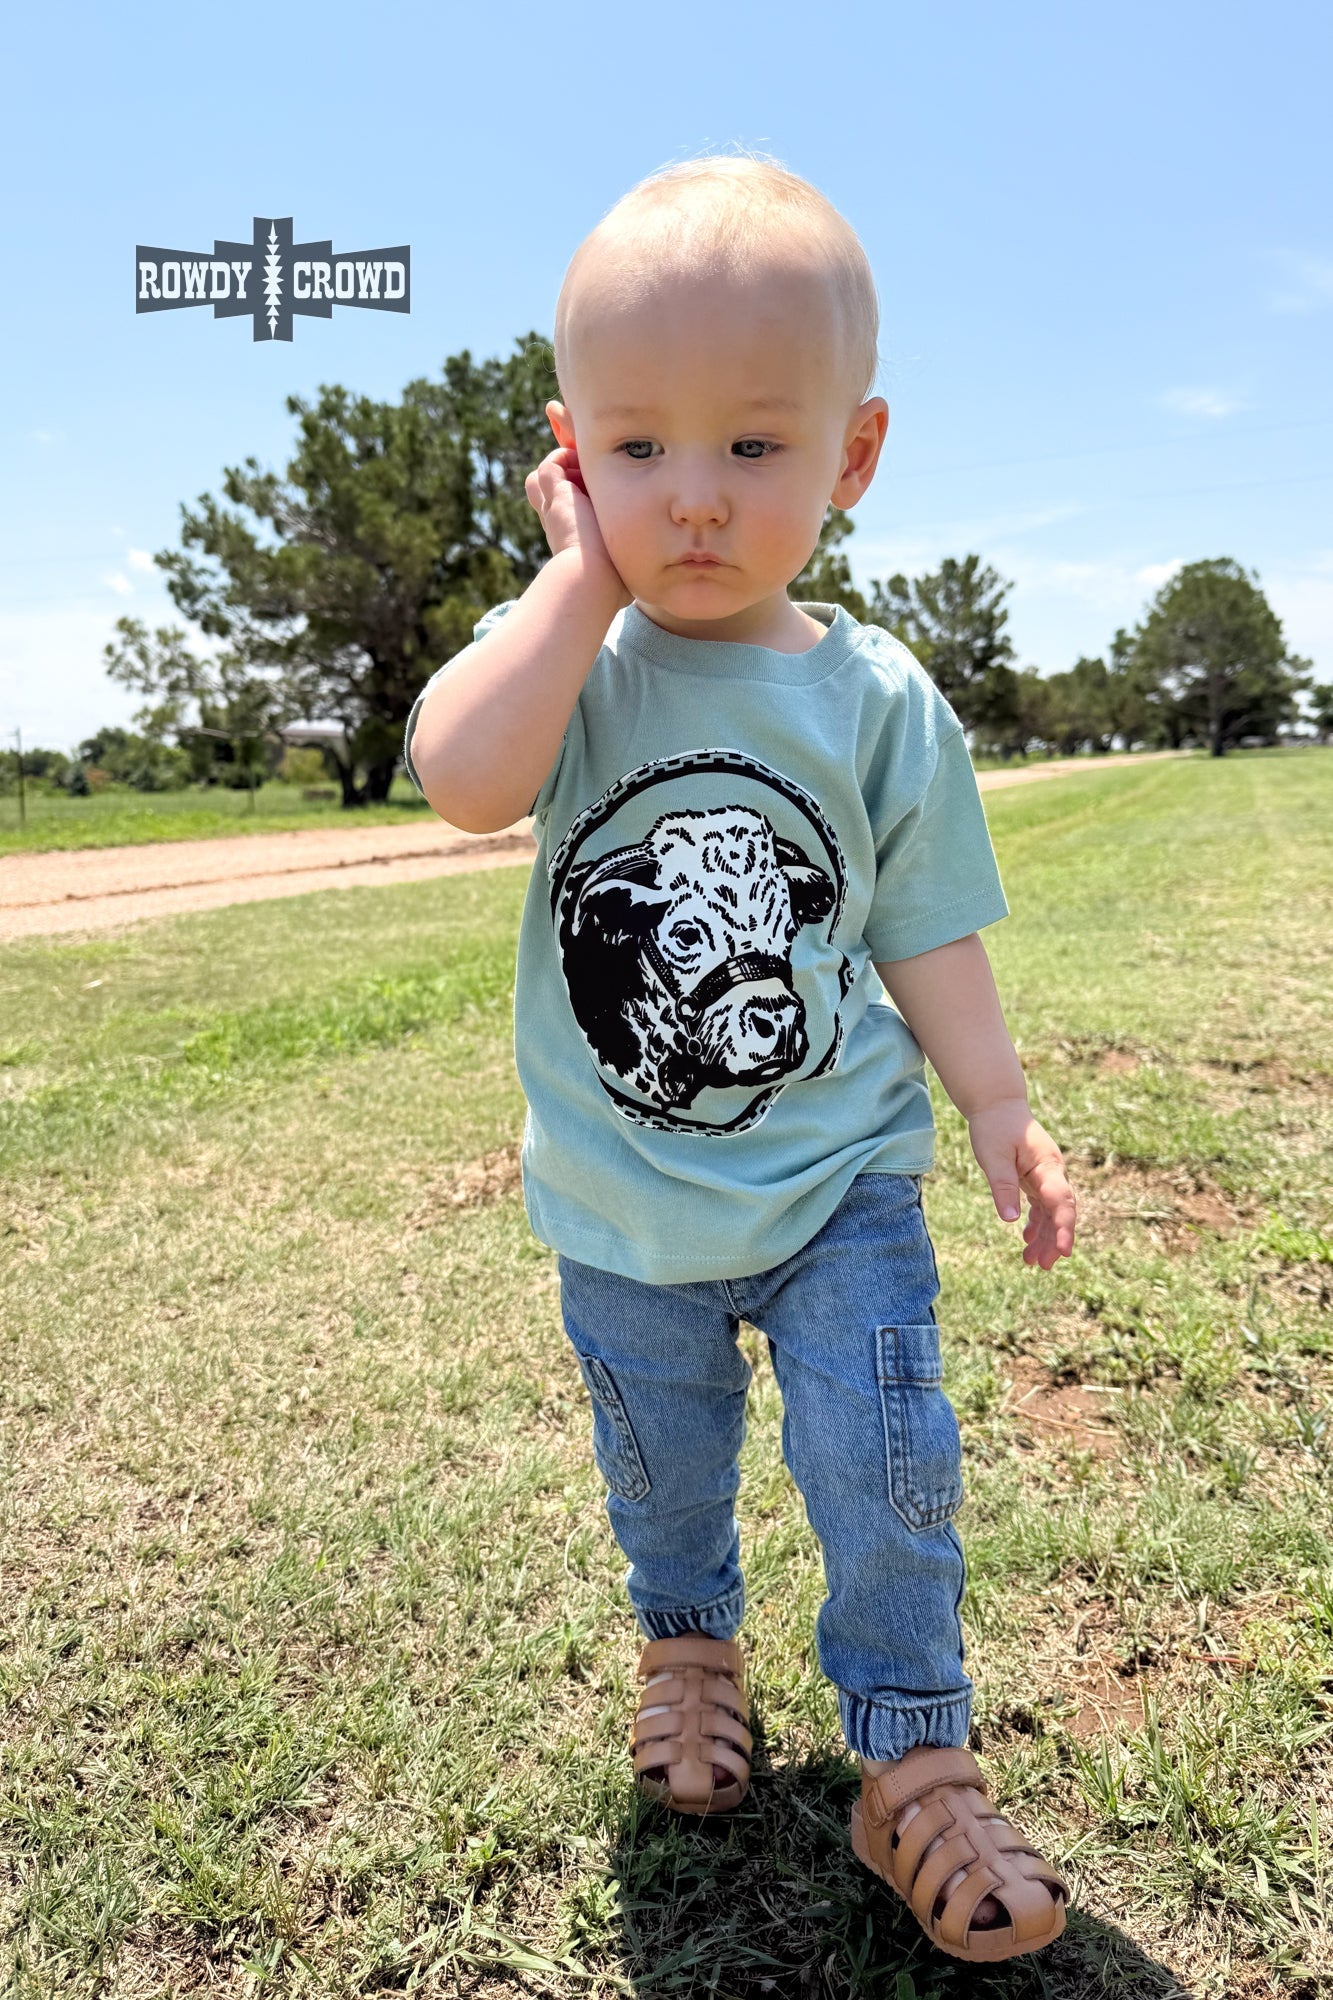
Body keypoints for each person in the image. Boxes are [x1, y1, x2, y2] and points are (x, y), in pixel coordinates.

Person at [404, 152, 1077, 1965]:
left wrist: (995, 1107)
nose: (690, 500)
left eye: (753, 450)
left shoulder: (873, 701)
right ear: (568, 457)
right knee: (663, 1469)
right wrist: (562, 590)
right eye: (638, 450)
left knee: (885, 1464)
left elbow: (924, 923)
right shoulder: (575, 666)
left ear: (851, 457)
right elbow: (462, 779)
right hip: (624, 1211)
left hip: (835, 1184)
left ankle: (912, 1755)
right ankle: (689, 1646)